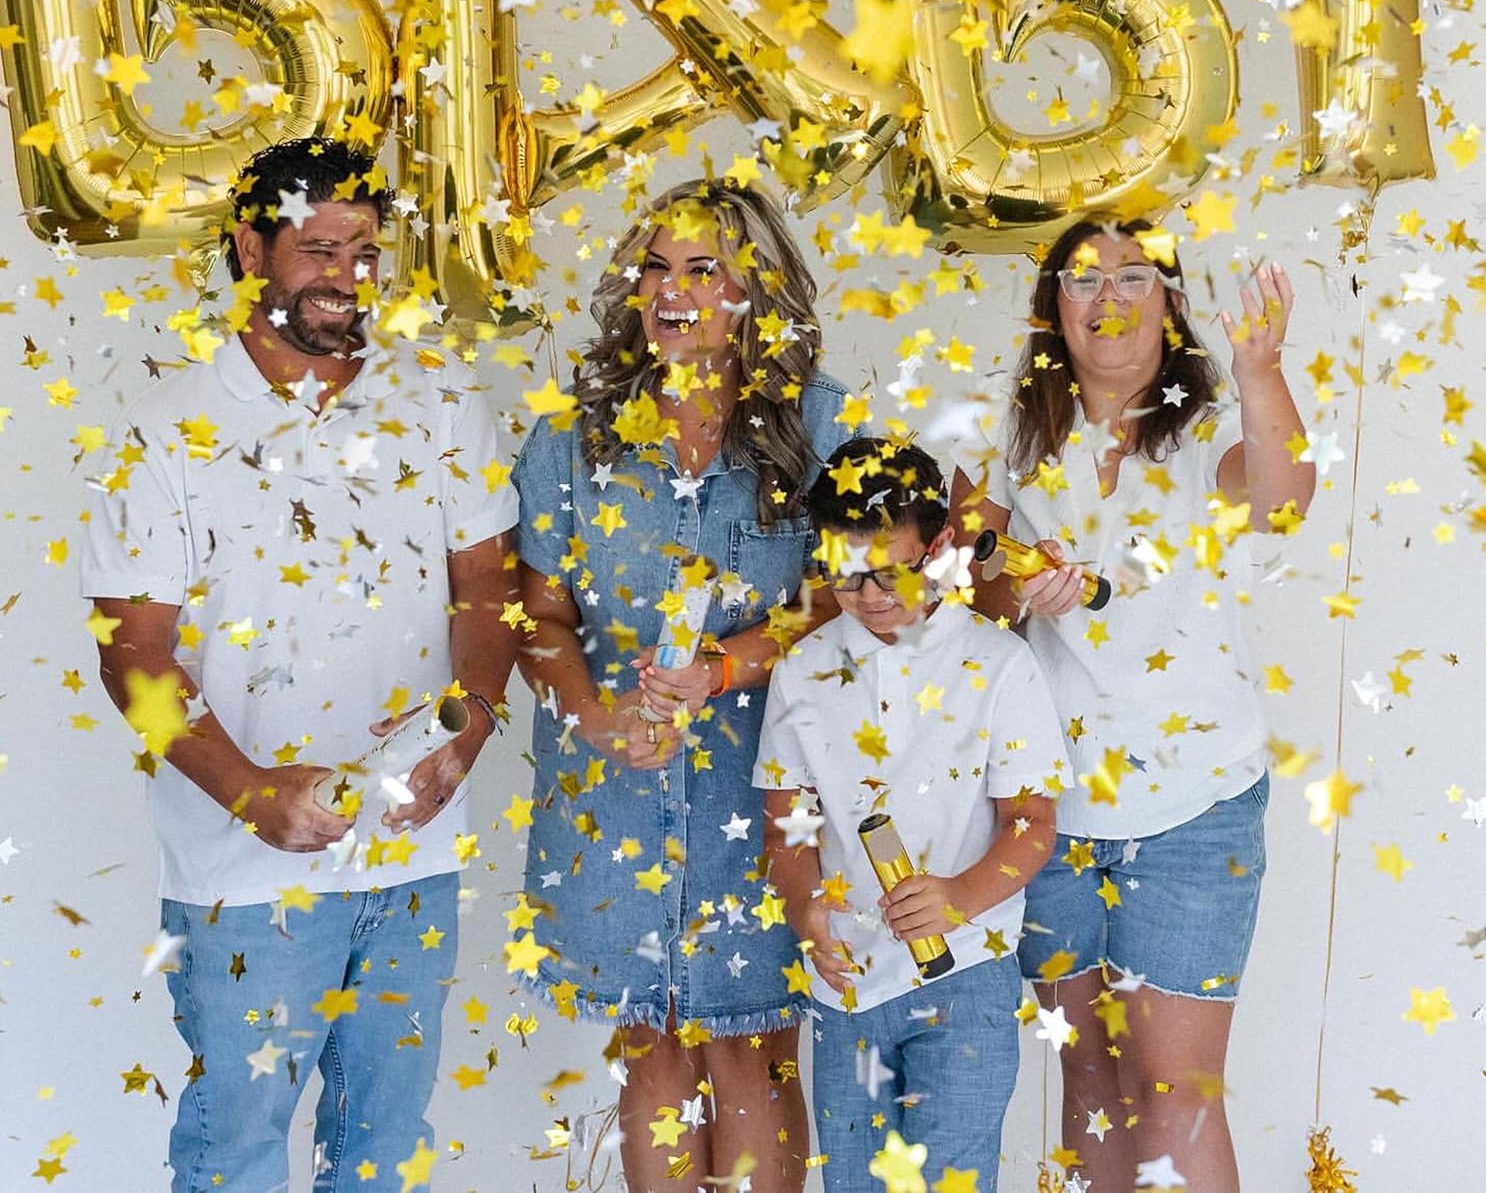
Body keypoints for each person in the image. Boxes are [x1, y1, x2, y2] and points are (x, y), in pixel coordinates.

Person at [81, 138, 520, 1192]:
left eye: (363, 250)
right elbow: (131, 652)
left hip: (411, 863)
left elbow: (487, 589)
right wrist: (251, 796)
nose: (346, 275)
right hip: (243, 881)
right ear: (250, 250)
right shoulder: (166, 432)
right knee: (233, 1158)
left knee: (382, 1158)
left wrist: (466, 729)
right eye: (318, 249)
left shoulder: (441, 402)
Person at [946, 218, 1315, 1192]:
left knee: (1177, 1092)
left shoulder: (1209, 424)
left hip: (1196, 807)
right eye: (1082, 279)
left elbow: (1282, 502)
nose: (1107, 297)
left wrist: (1262, 367)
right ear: (1052, 310)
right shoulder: (1009, 431)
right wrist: (1015, 585)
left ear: (1171, 303)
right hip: (1050, 813)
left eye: (1132, 276)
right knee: (1092, 1080)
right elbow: (960, 594)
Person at [511, 178, 856, 1190]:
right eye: (656, 268)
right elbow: (538, 619)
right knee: (652, 1040)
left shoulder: (820, 424)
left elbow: (846, 597)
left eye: (703, 269)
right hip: (613, 790)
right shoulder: (572, 436)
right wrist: (599, 719)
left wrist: (722, 669)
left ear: (757, 290)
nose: (672, 291)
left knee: (753, 1043)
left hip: (766, 787)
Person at [755, 437, 1070, 1191]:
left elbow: (1032, 823)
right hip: (848, 987)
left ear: (940, 546)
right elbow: (785, 822)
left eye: (889, 571)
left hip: (968, 978)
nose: (868, 595)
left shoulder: (998, 665)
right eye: (845, 573)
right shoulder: (802, 671)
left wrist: (959, 895)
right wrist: (804, 906)